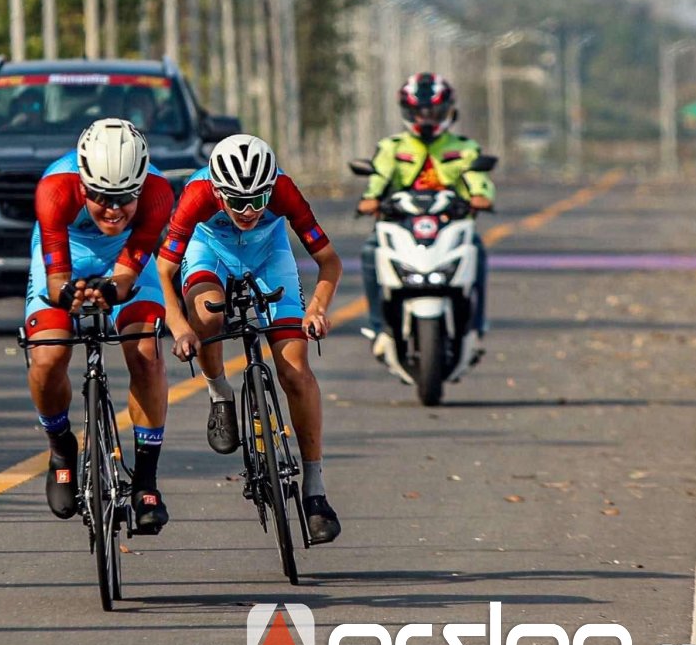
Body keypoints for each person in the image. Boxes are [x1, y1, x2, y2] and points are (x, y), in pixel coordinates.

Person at [157, 134, 344, 545]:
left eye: (258, 200)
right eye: (236, 201)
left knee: (295, 371)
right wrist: (179, 325)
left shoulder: (284, 191)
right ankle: (219, 393)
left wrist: (317, 308)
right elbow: (164, 270)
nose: (248, 210)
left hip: (268, 254)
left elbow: (329, 261)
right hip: (211, 251)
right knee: (208, 312)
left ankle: (315, 491)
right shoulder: (196, 195)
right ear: (217, 191)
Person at [26, 118, 174, 533]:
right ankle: (60, 447)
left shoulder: (159, 194)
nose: (112, 209)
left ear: (141, 186)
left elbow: (128, 277)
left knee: (145, 352)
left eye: (124, 197)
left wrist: (112, 290)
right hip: (67, 252)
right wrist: (68, 295)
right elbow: (56, 280)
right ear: (82, 183)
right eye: (100, 196)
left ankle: (146, 480)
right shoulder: (54, 189)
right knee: (49, 355)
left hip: (123, 258)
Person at [355, 73, 496, 357]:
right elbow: (378, 179)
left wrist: (482, 197)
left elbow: (478, 179)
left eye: (433, 111)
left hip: (449, 226)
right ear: (407, 112)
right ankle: (379, 327)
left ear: (448, 110)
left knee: (477, 252)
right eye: (419, 112)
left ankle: (475, 327)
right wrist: (370, 200)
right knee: (370, 252)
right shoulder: (392, 147)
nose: (427, 118)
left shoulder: (465, 148)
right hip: (403, 226)